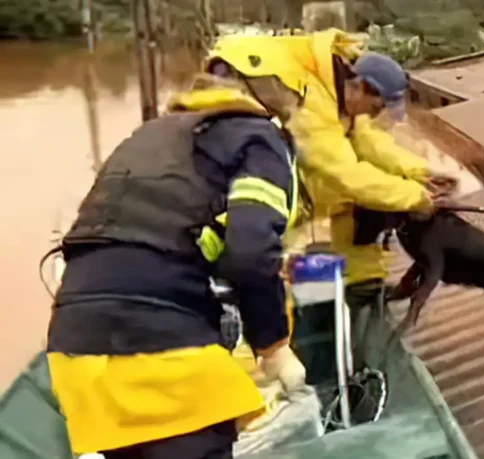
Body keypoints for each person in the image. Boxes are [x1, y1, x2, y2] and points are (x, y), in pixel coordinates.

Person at [46, 54, 306, 458]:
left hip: (74, 347)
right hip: (162, 348)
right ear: (273, 97)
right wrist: (272, 346)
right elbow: (252, 252)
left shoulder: (151, 136)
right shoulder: (259, 138)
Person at [205, 29, 458, 370]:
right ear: (363, 87)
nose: (372, 114)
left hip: (247, 138)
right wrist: (415, 199)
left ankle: (324, 312)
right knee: (252, 253)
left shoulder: (338, 82)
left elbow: (368, 140)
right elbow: (346, 174)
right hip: (225, 160)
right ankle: (263, 355)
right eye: (375, 105)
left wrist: (419, 173)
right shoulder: (313, 105)